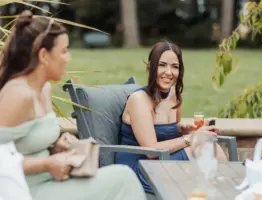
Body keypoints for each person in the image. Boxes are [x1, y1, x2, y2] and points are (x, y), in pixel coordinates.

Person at [0, 10, 146, 200]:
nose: (68, 58)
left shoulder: (44, 90)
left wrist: (56, 149)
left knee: (122, 177)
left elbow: (26, 146)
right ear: (44, 55)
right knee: (123, 179)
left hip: (51, 182)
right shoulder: (18, 94)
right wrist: (47, 164)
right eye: (64, 51)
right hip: (24, 190)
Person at [115, 41, 227, 193]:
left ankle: (223, 191)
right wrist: (191, 138)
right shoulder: (139, 100)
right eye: (162, 65)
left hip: (162, 161)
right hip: (139, 167)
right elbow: (150, 150)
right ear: (150, 66)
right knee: (204, 150)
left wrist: (185, 128)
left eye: (175, 66)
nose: (169, 72)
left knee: (212, 148)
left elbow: (168, 130)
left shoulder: (174, 95)